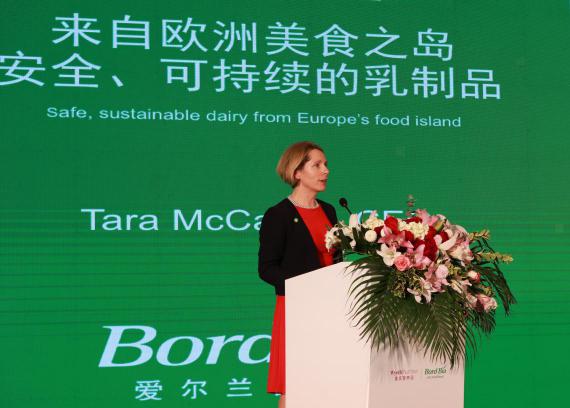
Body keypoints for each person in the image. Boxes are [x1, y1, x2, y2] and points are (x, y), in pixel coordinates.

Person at [258, 141, 342, 408]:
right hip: (296, 308)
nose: (325, 170)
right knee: (295, 384)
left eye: (326, 164)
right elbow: (267, 268)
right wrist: (303, 288)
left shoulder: (329, 210)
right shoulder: (279, 215)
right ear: (296, 172)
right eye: (317, 165)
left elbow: (336, 260)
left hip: (330, 307)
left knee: (329, 380)